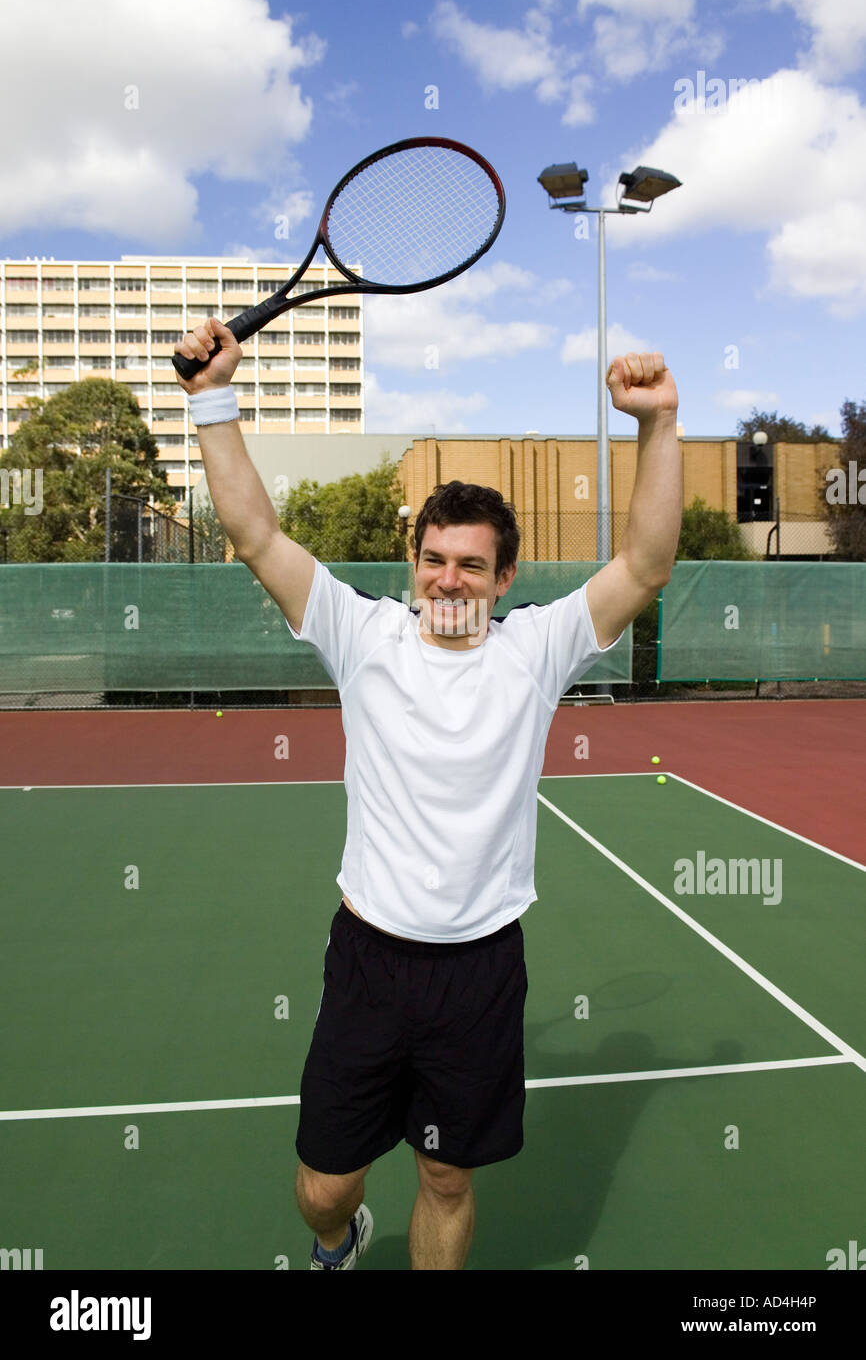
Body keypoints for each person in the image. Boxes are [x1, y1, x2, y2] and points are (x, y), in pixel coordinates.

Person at [175, 317, 682, 1271]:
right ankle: (339, 1241)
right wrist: (211, 398)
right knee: (325, 1185)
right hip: (368, 960)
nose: (450, 578)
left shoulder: (536, 651)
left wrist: (659, 424)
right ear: (414, 562)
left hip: (480, 972)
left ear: (505, 577)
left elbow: (645, 565)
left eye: (472, 563)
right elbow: (254, 534)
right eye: (435, 557)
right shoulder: (361, 633)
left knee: (448, 1180)